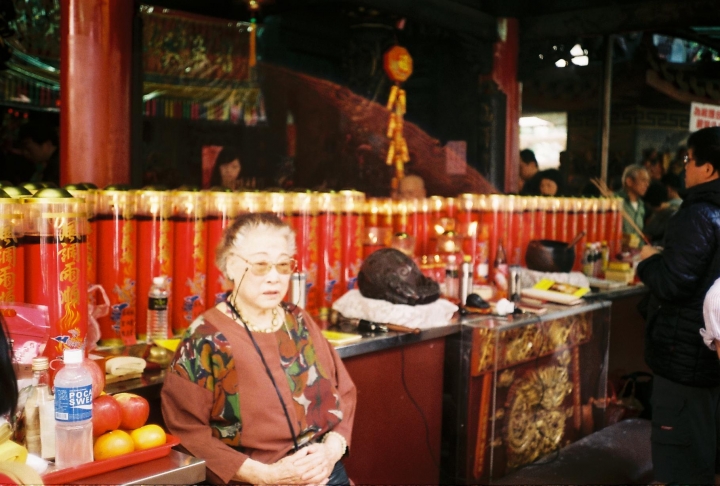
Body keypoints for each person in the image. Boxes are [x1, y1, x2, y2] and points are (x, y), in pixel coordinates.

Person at [161, 213, 356, 485]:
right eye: (261, 265)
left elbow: (344, 391)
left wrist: (331, 451)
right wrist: (265, 476)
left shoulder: (298, 320)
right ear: (230, 266)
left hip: (327, 472)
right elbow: (187, 433)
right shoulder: (205, 339)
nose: (274, 277)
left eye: (283, 265)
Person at [637, 126, 720, 484]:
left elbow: (673, 283)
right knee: (701, 458)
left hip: (684, 358)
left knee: (680, 466)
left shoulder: (700, 213)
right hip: (708, 358)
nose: (684, 167)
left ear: (709, 168)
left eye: (689, 160)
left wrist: (648, 261)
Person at [616, 164, 650, 248]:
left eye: (648, 181)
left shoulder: (641, 205)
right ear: (629, 181)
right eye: (643, 180)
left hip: (636, 254)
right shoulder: (615, 202)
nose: (647, 184)